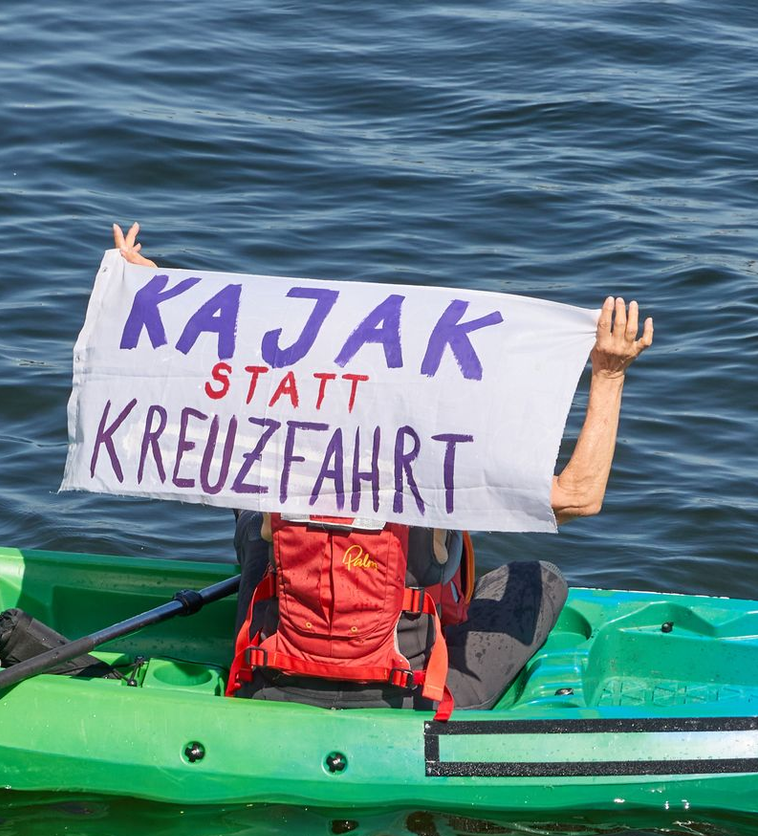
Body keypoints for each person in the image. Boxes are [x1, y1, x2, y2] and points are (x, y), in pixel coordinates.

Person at [112, 222, 653, 712]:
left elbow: (199, 392)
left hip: (266, 681)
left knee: (254, 522)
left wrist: (156, 296)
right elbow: (581, 497)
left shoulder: (275, 449)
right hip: (403, 697)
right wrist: (608, 375)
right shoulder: (439, 468)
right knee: (539, 577)